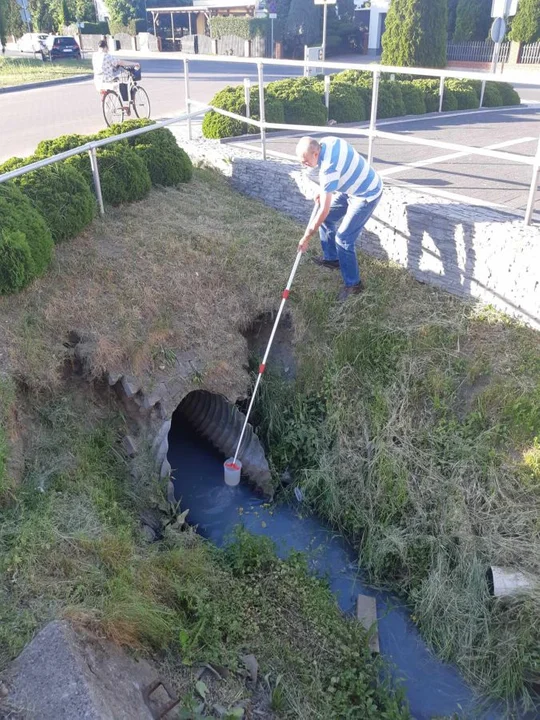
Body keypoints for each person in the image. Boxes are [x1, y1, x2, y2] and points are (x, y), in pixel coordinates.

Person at [296, 136, 383, 301]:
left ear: (315, 153)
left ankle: (354, 285)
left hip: (367, 194)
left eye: (305, 161)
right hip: (350, 189)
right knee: (328, 219)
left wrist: (306, 237)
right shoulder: (328, 141)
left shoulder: (328, 169)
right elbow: (335, 176)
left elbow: (323, 210)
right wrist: (324, 191)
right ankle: (332, 259)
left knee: (343, 239)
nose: (304, 165)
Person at [92, 39, 138, 109]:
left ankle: (106, 104)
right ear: (106, 47)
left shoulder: (94, 55)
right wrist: (134, 64)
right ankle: (125, 105)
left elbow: (104, 66)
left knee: (112, 85)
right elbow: (121, 62)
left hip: (97, 81)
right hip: (107, 80)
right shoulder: (106, 56)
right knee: (121, 85)